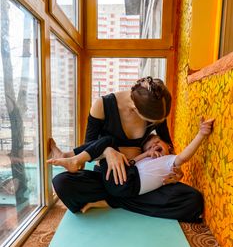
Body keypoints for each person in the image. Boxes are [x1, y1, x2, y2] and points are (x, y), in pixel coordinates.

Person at [51, 76, 204, 222]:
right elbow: (89, 149)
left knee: (192, 200)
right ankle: (115, 197)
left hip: (140, 180)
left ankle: (112, 200)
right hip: (108, 177)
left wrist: (175, 172)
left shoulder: (156, 109)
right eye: (151, 121)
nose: (156, 124)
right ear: (134, 108)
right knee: (62, 182)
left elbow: (169, 150)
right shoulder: (102, 106)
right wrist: (108, 152)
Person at [48, 118, 214, 213]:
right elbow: (132, 164)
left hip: (128, 184)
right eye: (149, 147)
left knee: (193, 199)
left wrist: (201, 134)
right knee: (61, 182)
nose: (153, 148)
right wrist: (144, 154)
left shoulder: (170, 160)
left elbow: (184, 156)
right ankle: (74, 160)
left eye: (157, 143)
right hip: (124, 180)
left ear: (169, 147)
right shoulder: (149, 159)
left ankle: (74, 159)